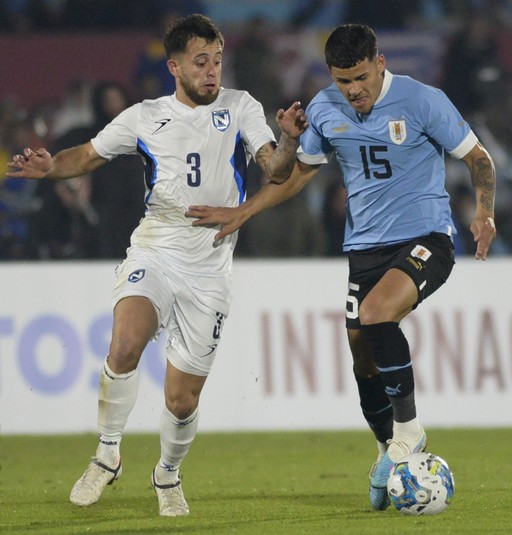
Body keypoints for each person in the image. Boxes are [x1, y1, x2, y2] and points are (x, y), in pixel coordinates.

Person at [186, 24, 497, 510]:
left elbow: (478, 158)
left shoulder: (421, 101)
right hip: (365, 249)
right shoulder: (327, 108)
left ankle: (409, 432)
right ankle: (384, 452)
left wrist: (484, 212)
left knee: (375, 315)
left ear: (379, 63)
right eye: (341, 80)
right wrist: (246, 207)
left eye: (358, 78)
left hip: (425, 238)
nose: (352, 90)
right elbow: (295, 175)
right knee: (361, 354)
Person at [7, 13, 307, 516]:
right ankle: (106, 453)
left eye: (217, 60)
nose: (212, 71)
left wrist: (290, 139)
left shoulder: (241, 107)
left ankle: (167, 474)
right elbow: (87, 154)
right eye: (200, 62)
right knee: (124, 344)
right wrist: (50, 167)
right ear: (174, 67)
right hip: (156, 249)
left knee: (181, 400)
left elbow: (276, 168)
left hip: (210, 268)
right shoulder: (145, 115)